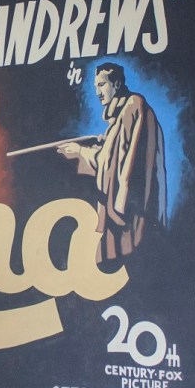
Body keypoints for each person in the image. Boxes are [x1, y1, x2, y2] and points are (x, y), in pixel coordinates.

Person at [57, 62, 166, 266]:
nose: (98, 92)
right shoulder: (120, 117)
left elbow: (117, 162)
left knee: (130, 261)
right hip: (129, 215)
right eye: (96, 86)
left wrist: (80, 152)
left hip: (132, 214)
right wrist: (97, 147)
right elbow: (113, 155)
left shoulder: (133, 106)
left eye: (102, 85)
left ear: (116, 84)